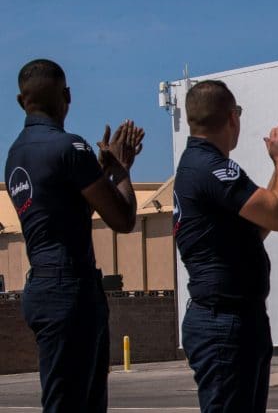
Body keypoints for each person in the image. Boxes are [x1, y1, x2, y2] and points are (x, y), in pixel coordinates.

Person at [5, 59, 144, 412]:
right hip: (71, 292)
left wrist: (96, 172)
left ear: (22, 101)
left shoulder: (15, 155)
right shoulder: (70, 148)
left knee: (65, 397)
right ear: (67, 96)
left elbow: (67, 211)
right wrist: (121, 171)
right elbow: (123, 219)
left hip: (42, 288)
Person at [173, 80, 278, 412]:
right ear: (232, 118)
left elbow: (257, 225)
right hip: (224, 323)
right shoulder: (214, 168)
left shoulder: (198, 166)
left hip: (231, 319)